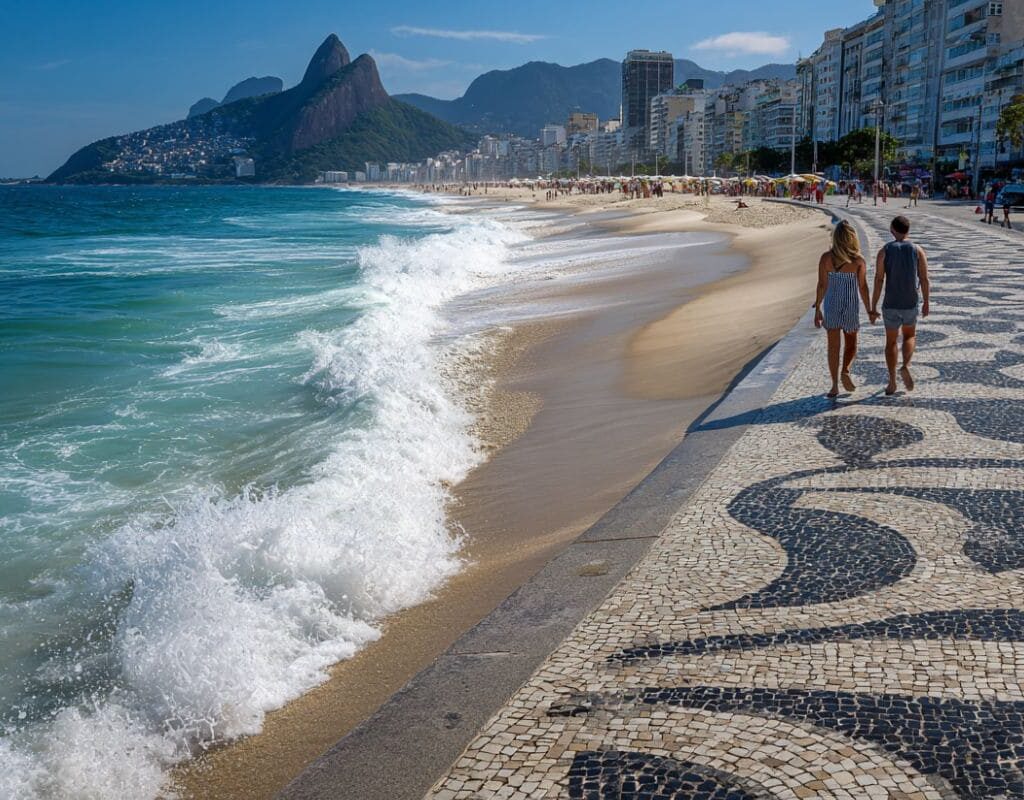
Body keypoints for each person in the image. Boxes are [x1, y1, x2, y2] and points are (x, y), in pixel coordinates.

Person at [870, 215, 931, 395]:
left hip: (890, 302)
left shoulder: (885, 251)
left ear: (892, 230)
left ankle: (891, 382)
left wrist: (873, 306)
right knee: (909, 336)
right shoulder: (917, 250)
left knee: (890, 342)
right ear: (908, 230)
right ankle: (905, 365)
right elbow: (925, 279)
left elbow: (879, 279)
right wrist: (926, 302)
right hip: (910, 301)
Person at [815, 219, 875, 398]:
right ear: (851, 238)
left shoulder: (826, 258)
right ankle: (846, 370)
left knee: (833, 347)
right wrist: (869, 309)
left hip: (832, 304)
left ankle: (834, 386)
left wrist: (817, 307)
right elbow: (863, 287)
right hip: (850, 304)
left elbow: (822, 285)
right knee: (851, 344)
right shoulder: (858, 260)